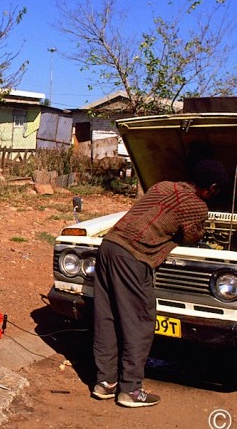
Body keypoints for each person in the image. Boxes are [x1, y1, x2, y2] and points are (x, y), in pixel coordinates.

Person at [91, 159, 227, 407]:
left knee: (107, 317)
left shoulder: (162, 186)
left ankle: (105, 382)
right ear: (212, 188)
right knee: (140, 320)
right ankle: (131, 390)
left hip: (109, 246)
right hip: (133, 256)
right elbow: (191, 236)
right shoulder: (197, 206)